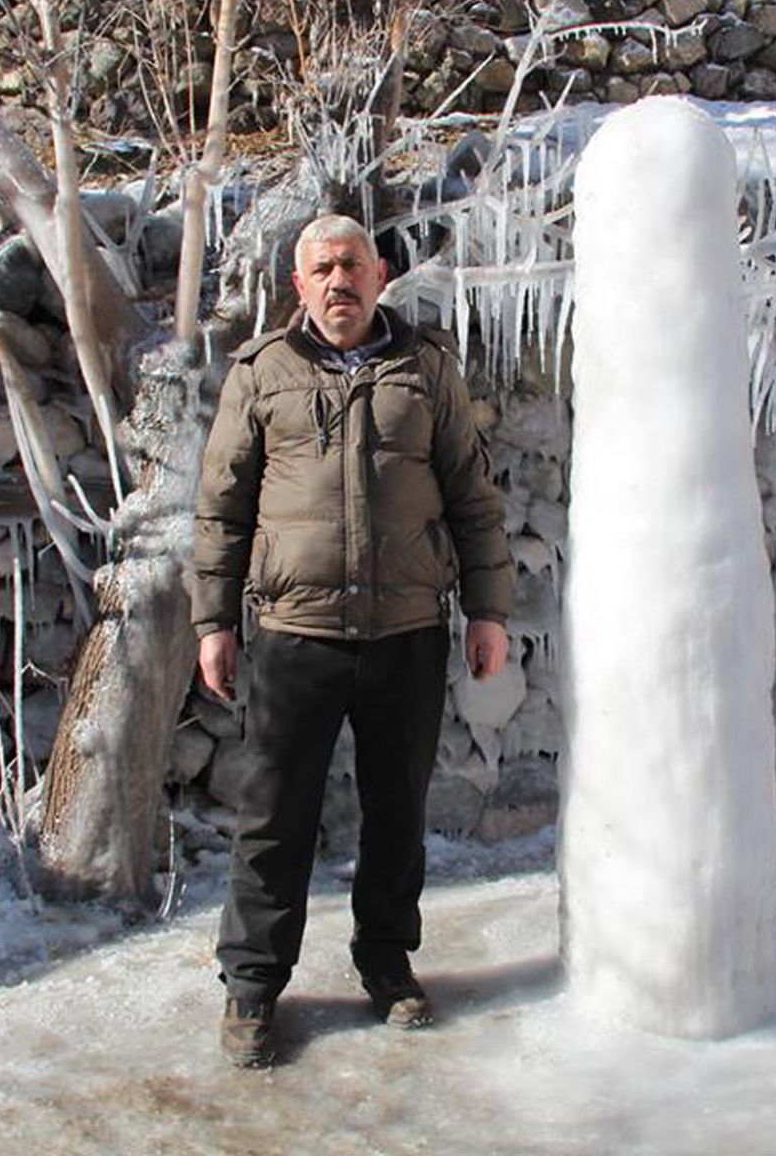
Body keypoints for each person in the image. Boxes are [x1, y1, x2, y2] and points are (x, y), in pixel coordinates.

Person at [191, 213, 514, 1068]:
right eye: (322, 268)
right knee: (273, 817)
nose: (339, 281)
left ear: (380, 276)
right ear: (298, 286)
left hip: (406, 631)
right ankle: (253, 987)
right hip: (295, 635)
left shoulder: (426, 369)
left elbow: (473, 496)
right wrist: (213, 621)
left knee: (397, 811)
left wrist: (488, 608)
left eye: (353, 265)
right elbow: (222, 506)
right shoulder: (262, 374)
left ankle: (386, 961)